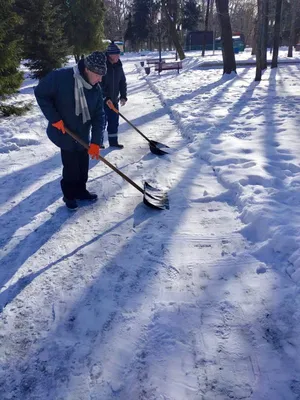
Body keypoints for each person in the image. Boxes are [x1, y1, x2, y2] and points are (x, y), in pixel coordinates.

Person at [34, 51, 107, 210]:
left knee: (82, 165)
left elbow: (99, 116)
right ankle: (69, 196)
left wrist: (96, 142)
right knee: (71, 167)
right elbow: (40, 92)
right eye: (98, 75)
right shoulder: (62, 78)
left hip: (82, 133)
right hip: (64, 131)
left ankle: (81, 191)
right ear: (87, 69)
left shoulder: (95, 89)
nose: (100, 79)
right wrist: (54, 118)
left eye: (102, 75)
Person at [101, 41, 127, 149]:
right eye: (116, 54)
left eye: (119, 54)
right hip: (102, 101)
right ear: (110, 55)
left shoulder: (118, 66)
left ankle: (113, 142)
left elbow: (122, 81)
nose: (118, 56)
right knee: (101, 123)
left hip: (114, 100)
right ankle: (98, 142)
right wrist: (105, 97)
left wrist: (123, 96)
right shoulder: (102, 65)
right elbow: (98, 84)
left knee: (114, 122)